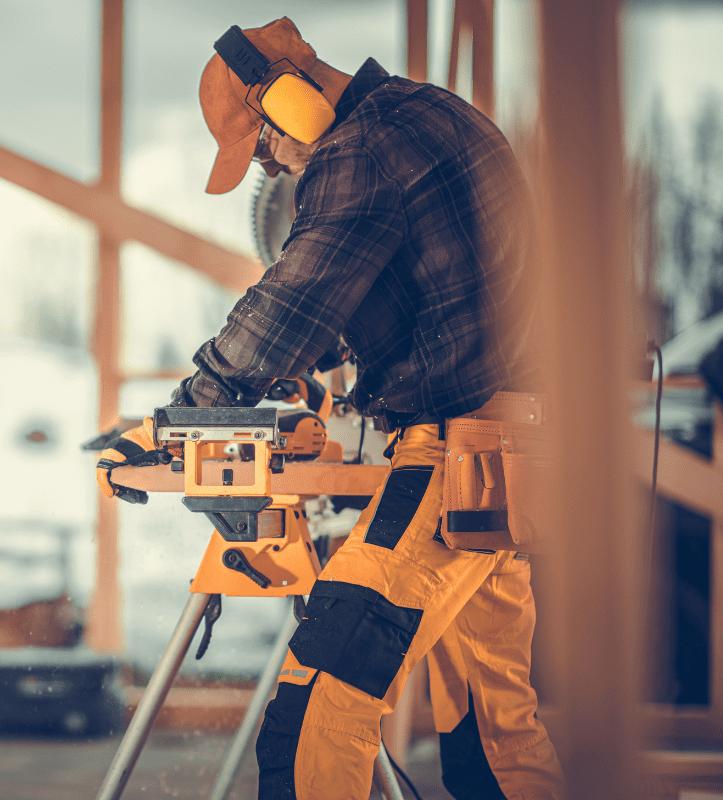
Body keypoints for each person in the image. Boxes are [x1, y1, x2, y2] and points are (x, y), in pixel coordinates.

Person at [96, 16, 564, 800]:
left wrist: (190, 413)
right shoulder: (432, 111)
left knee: (315, 715)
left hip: (459, 461)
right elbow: (410, 294)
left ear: (290, 98)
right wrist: (319, 371)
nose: (272, 163)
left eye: (266, 142)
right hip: (511, 456)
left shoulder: (357, 154)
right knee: (494, 732)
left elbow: (293, 299)